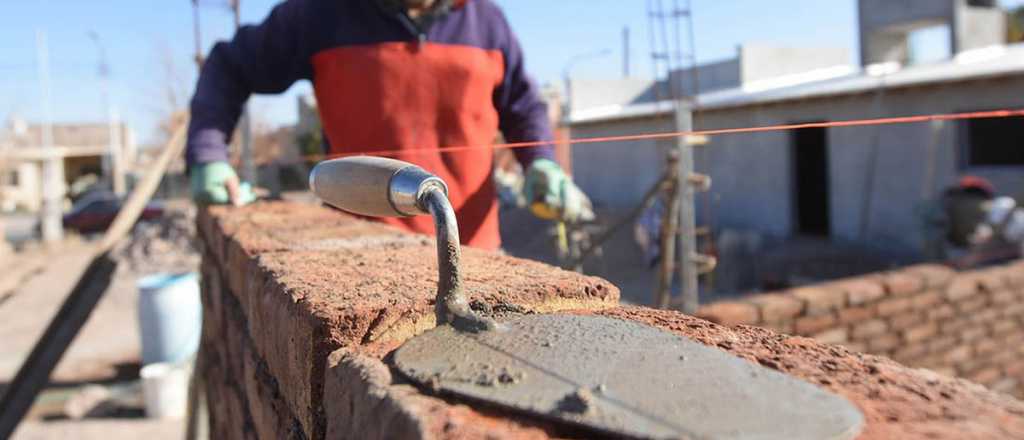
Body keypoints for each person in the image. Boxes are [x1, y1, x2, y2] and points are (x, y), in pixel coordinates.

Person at [186, 0, 587, 250]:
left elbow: (523, 105)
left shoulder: (487, 21)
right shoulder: (320, 13)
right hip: (361, 254)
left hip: (475, 252)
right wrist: (208, 153)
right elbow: (229, 66)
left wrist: (540, 160)